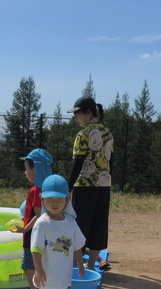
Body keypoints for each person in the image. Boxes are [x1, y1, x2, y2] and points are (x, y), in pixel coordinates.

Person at [67, 96, 114, 271]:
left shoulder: (84, 134)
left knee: (80, 225)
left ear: (87, 113)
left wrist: (68, 187)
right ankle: (92, 264)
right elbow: (111, 161)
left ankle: (72, 265)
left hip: (85, 185)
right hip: (104, 184)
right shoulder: (107, 133)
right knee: (99, 224)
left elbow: (78, 161)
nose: (76, 118)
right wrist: (107, 181)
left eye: (77, 114)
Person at [31, 175, 86, 289]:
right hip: (44, 282)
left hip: (63, 282)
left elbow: (76, 245)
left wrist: (80, 264)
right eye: (49, 199)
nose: (54, 203)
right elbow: (36, 250)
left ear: (67, 198)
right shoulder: (42, 223)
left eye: (59, 199)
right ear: (41, 198)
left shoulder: (71, 222)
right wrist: (38, 270)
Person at [13, 148, 53, 289]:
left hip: (33, 234)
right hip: (45, 233)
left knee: (28, 265)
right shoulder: (49, 189)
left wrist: (24, 229)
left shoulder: (35, 191)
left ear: (36, 169)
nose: (25, 172)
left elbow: (38, 215)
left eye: (27, 168)